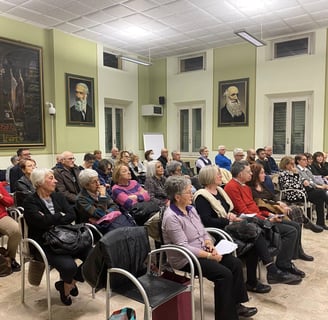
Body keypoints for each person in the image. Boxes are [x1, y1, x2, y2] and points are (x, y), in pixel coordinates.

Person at [161, 175, 257, 320]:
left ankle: (236, 306)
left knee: (235, 264)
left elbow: (203, 231)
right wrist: (209, 256)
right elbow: (183, 246)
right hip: (185, 257)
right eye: (188, 192)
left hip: (202, 250)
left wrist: (209, 244)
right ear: (177, 197)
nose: (192, 194)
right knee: (223, 274)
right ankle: (226, 316)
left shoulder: (191, 209)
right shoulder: (171, 217)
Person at [194, 165, 300, 288]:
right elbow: (206, 221)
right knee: (255, 233)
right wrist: (228, 220)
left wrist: (232, 216)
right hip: (220, 231)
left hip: (232, 224)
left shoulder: (220, 191)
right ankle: (271, 270)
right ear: (209, 176)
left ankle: (254, 280)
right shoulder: (202, 196)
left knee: (255, 235)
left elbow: (230, 209)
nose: (220, 176)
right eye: (217, 174)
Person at [224, 161, 304, 281]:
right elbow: (244, 211)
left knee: (294, 225)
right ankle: (280, 266)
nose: (251, 173)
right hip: (251, 222)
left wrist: (269, 215)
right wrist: (267, 219)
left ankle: (287, 262)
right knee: (290, 231)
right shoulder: (232, 187)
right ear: (240, 174)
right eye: (248, 172)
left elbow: (255, 208)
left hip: (259, 218)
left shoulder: (245, 186)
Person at [23, 168, 92, 306]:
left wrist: (50, 218)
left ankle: (67, 285)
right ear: (40, 182)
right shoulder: (30, 201)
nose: (55, 181)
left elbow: (72, 215)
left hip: (67, 236)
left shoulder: (58, 196)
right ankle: (68, 281)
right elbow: (39, 222)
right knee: (69, 267)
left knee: (95, 257)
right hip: (45, 242)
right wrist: (60, 216)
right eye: (51, 178)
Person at [248, 162, 315, 259]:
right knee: (295, 212)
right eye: (262, 173)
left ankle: (298, 250)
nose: (265, 175)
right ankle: (298, 247)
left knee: (295, 210)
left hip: (274, 207)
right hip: (270, 211)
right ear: (255, 175)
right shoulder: (251, 189)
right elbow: (262, 204)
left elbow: (272, 196)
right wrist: (278, 205)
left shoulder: (262, 185)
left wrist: (279, 202)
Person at [279, 156, 327, 230]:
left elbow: (303, 181)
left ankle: (321, 223)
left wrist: (302, 180)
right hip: (293, 194)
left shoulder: (295, 172)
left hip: (303, 191)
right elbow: (290, 185)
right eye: (291, 164)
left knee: (319, 199)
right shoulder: (283, 174)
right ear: (286, 165)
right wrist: (298, 177)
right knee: (321, 192)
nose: (293, 166)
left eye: (293, 164)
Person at [0, 182, 21, 274]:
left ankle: (10, 258)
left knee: (16, 230)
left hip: (1, 217)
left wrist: (1, 197)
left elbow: (10, 202)